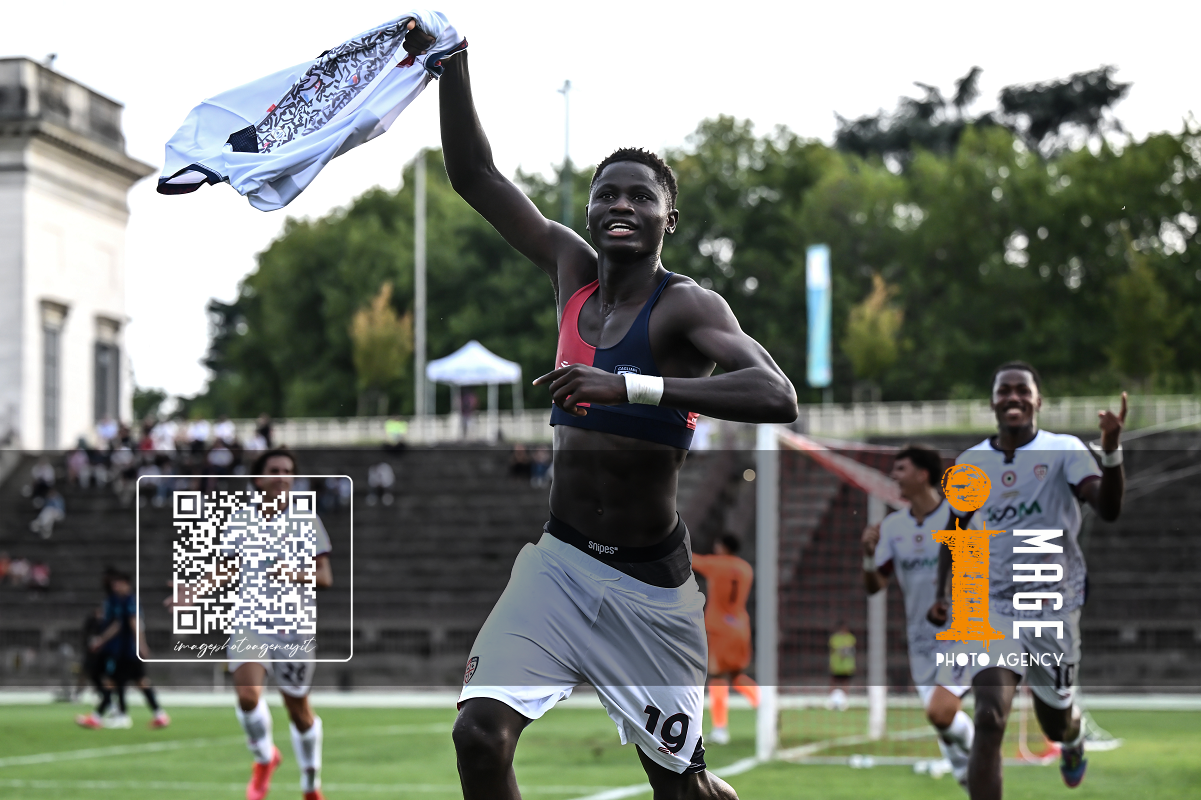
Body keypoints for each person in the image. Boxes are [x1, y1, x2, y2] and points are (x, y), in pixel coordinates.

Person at [429, 26, 798, 800]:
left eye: (640, 196)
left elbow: (775, 393)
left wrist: (630, 387)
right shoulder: (570, 270)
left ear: (669, 219)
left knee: (682, 790)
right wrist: (451, 62)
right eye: (605, 194)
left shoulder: (686, 306)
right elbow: (474, 175)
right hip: (558, 566)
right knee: (477, 734)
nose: (619, 205)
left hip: (647, 588)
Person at [928, 362, 1126, 799]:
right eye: (1004, 390)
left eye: (1022, 390)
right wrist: (942, 592)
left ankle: (1072, 736)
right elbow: (955, 530)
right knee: (989, 717)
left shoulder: (1065, 450)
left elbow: (1108, 508)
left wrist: (1111, 453)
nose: (1013, 397)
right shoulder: (972, 462)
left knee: (1054, 723)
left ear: (1038, 400)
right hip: (994, 605)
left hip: (1052, 604)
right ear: (992, 402)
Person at [223, 448, 333, 800]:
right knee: (247, 695)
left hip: (294, 628)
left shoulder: (307, 521)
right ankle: (264, 757)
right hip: (251, 620)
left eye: (288, 471)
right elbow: (227, 570)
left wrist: (293, 573)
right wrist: (195, 588)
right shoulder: (240, 520)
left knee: (299, 712)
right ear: (258, 479)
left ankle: (310, 783)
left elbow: (325, 578)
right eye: (274, 470)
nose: (282, 477)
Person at [862, 445, 973, 786]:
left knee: (940, 712)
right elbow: (875, 586)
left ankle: (979, 755)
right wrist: (868, 556)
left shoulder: (959, 515)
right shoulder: (893, 526)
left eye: (901, 469)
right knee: (941, 722)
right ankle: (969, 775)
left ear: (923, 475)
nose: (894, 476)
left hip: (963, 632)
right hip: (921, 639)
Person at [77, 571, 169, 730]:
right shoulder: (123, 600)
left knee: (112, 682)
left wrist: (141, 645)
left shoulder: (128, 601)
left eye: (118, 583)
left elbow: (132, 623)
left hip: (126, 650)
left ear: (127, 584)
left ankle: (101, 717)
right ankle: (159, 715)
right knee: (140, 682)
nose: (115, 586)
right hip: (128, 650)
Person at [691, 534, 759, 746]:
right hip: (740, 626)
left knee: (718, 677)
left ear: (722, 547)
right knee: (737, 675)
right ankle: (765, 706)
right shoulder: (745, 568)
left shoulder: (716, 564)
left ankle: (720, 729)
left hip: (720, 628)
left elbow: (689, 558)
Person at [827, 621, 856, 711]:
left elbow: (850, 649)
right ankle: (831, 701)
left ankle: (844, 702)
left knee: (845, 683)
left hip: (847, 666)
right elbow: (835, 649)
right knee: (833, 683)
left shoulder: (850, 637)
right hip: (836, 665)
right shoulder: (835, 638)